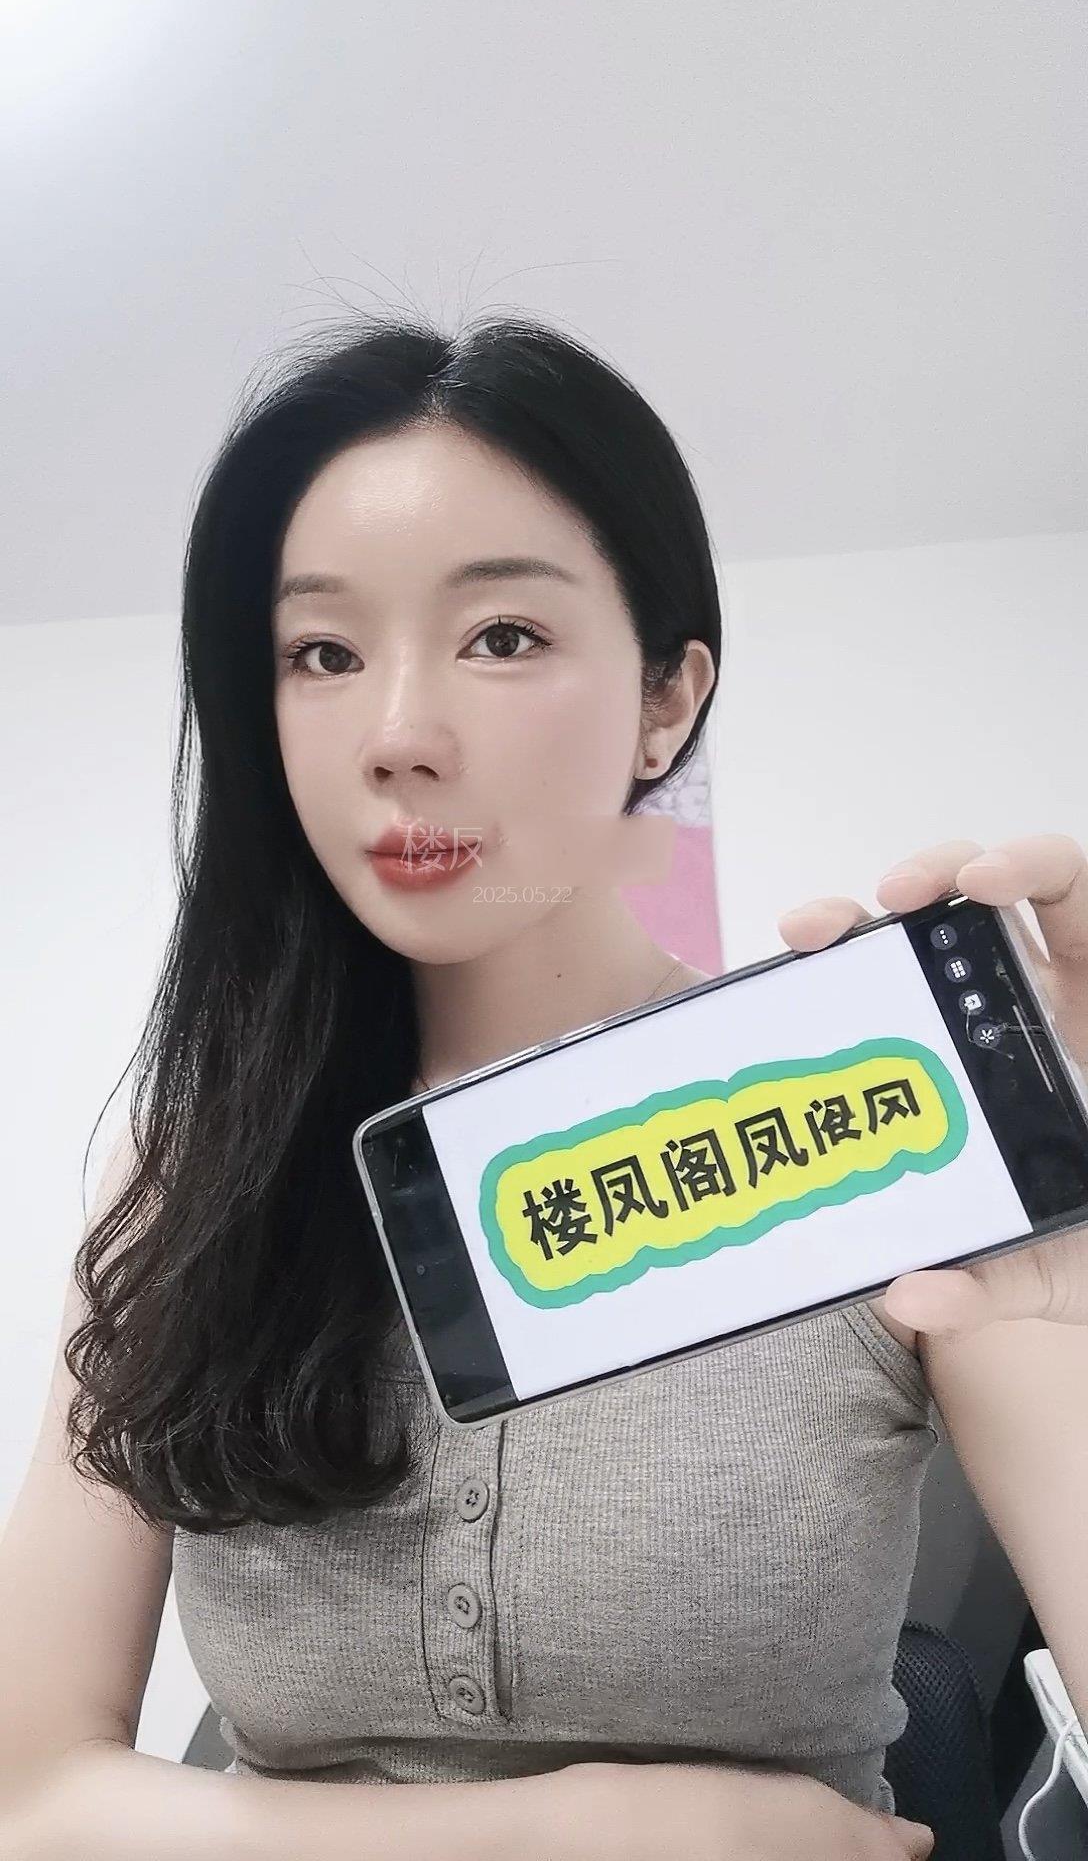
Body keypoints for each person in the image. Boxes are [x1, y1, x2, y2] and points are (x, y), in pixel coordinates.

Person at [4, 311, 1086, 1861]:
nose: (398, 736)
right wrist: (614, 1828)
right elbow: (30, 1792)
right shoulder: (195, 1178)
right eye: (322, 654)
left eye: (502, 636)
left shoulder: (885, 1148)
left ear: (667, 698)